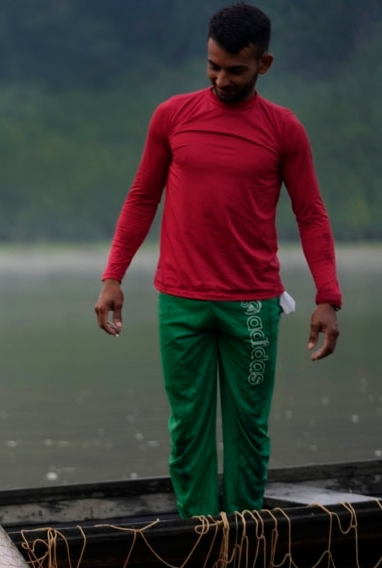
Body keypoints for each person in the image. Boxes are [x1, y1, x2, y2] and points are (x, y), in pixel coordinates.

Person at [94, 3, 342, 518]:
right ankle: (200, 529)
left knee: (249, 425)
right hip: (181, 302)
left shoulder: (284, 129)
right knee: (188, 424)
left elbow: (311, 214)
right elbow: (143, 197)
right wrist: (112, 276)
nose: (221, 79)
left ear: (264, 65)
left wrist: (327, 298)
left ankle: (248, 530)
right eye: (213, 66)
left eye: (236, 70)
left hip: (252, 305)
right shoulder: (173, 116)